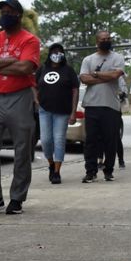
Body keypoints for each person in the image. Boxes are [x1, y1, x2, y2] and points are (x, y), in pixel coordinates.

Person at [0, 0, 41, 215]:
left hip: (19, 98)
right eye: (2, 11)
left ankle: (17, 198)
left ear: (19, 15)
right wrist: (10, 61)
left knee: (22, 150)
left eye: (10, 12)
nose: (5, 15)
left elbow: (25, 68)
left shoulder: (30, 40)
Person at [79, 31, 125, 183]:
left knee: (110, 140)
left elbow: (115, 76)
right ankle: (90, 171)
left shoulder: (117, 57)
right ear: (97, 41)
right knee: (91, 141)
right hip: (91, 105)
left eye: (108, 39)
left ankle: (108, 170)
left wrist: (96, 75)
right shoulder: (88, 59)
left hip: (111, 105)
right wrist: (105, 76)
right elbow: (84, 78)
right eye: (103, 39)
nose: (106, 41)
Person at [35, 43, 79, 184]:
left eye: (60, 52)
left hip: (62, 111)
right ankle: (51, 163)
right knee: (46, 140)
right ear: (49, 54)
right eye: (54, 51)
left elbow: (75, 90)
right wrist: (36, 101)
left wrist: (73, 112)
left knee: (59, 139)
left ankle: (57, 172)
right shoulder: (42, 69)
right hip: (44, 110)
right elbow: (33, 85)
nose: (57, 54)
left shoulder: (68, 71)